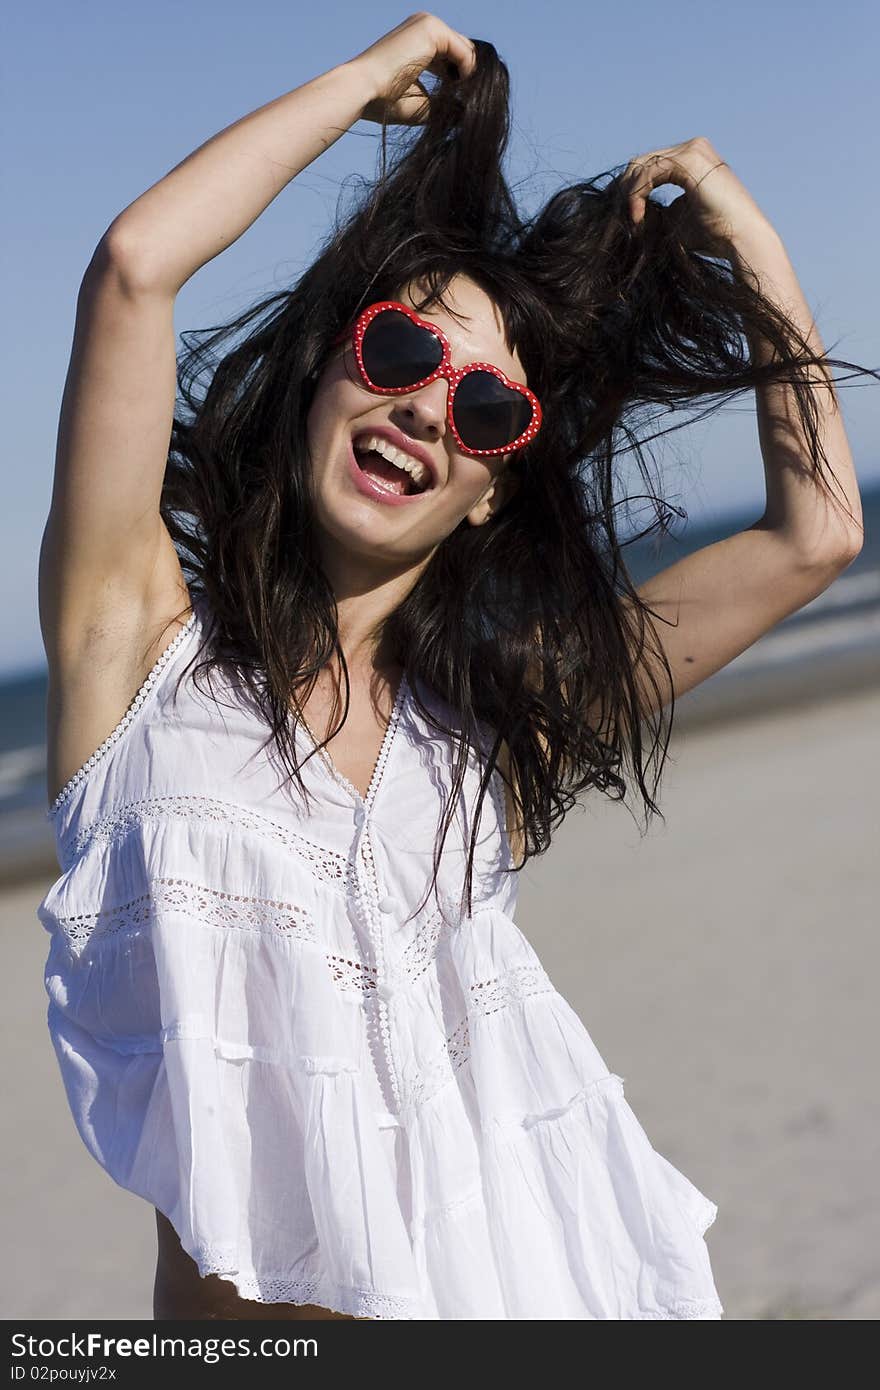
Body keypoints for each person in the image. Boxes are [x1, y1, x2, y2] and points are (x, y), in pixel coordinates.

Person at [37, 14, 868, 1321]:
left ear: (490, 489)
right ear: (327, 372)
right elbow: (138, 267)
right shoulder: (136, 660)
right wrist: (362, 85)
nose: (431, 407)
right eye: (403, 353)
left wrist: (748, 245)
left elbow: (814, 532)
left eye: (488, 407)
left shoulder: (487, 748)